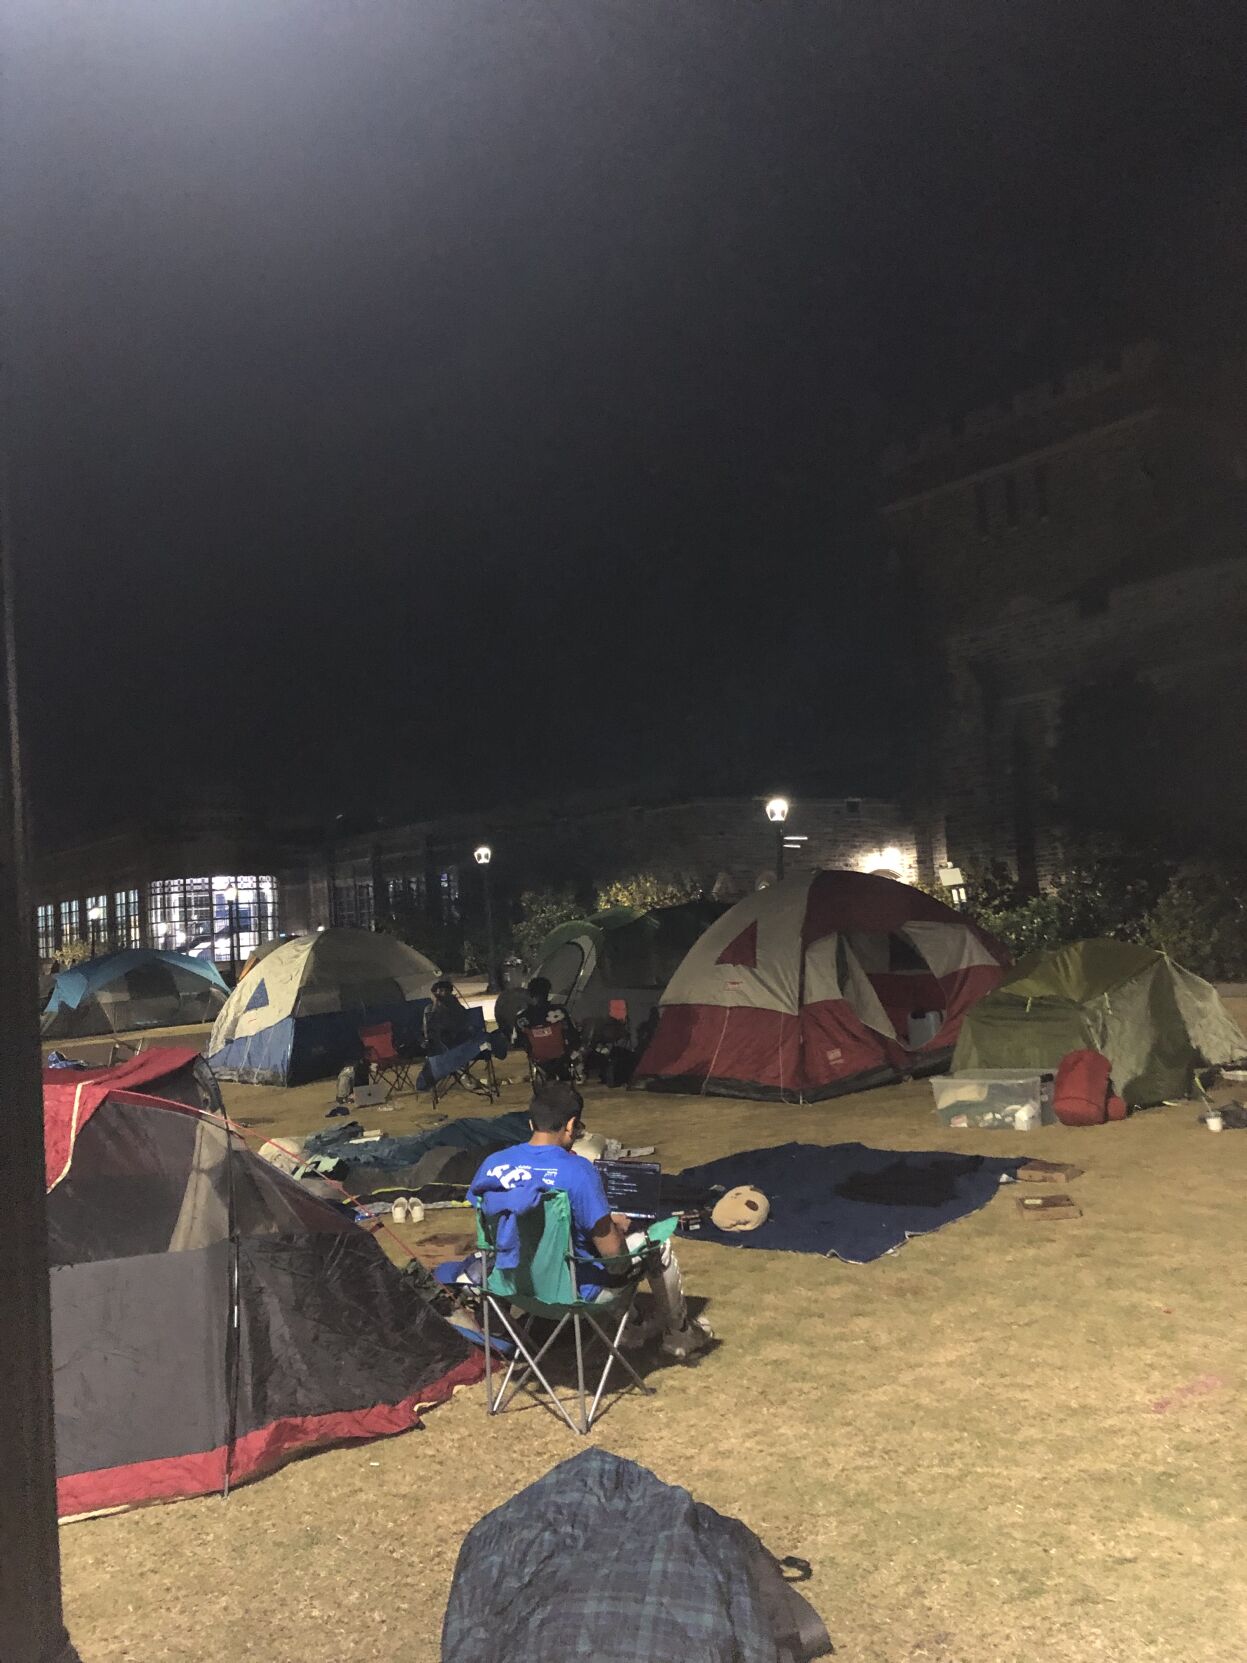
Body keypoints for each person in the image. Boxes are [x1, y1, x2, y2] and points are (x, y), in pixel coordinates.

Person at [467, 1082, 711, 1359]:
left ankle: (635, 1327)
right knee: (656, 1245)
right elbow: (614, 1259)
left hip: (513, 1288)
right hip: (571, 1293)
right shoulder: (578, 1172)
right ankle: (677, 1336)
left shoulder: (492, 1163)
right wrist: (612, 1227)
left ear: (531, 1122)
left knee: (590, 1239)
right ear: (571, 1125)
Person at [514, 976, 580, 1080]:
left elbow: (519, 1041)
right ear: (548, 992)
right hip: (561, 1055)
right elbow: (572, 1034)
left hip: (538, 1056)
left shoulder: (522, 1018)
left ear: (530, 994)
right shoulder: (560, 1012)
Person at [423, 977, 477, 1053]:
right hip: (440, 1042)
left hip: (459, 1039)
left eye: (446, 991)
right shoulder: (430, 1009)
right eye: (441, 991)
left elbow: (465, 1022)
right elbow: (430, 1029)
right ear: (435, 993)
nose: (444, 993)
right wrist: (436, 1004)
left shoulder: (457, 1006)